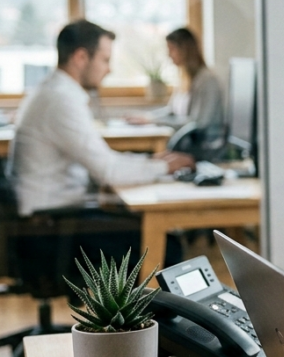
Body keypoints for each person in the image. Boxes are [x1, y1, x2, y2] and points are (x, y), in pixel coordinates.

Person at [11, 20, 193, 216]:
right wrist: (165, 166)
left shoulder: (54, 91)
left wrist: (150, 160)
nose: (109, 69)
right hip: (52, 221)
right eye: (105, 60)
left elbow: (104, 161)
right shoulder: (60, 100)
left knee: (134, 215)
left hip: (56, 210)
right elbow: (108, 172)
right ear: (81, 57)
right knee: (167, 241)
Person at [128, 27, 227, 161]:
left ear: (185, 50)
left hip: (201, 146)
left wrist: (155, 121)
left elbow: (199, 123)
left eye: (172, 50)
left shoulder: (207, 80)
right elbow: (171, 110)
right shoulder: (184, 78)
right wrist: (148, 117)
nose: (169, 55)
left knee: (156, 158)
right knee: (152, 158)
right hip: (186, 143)